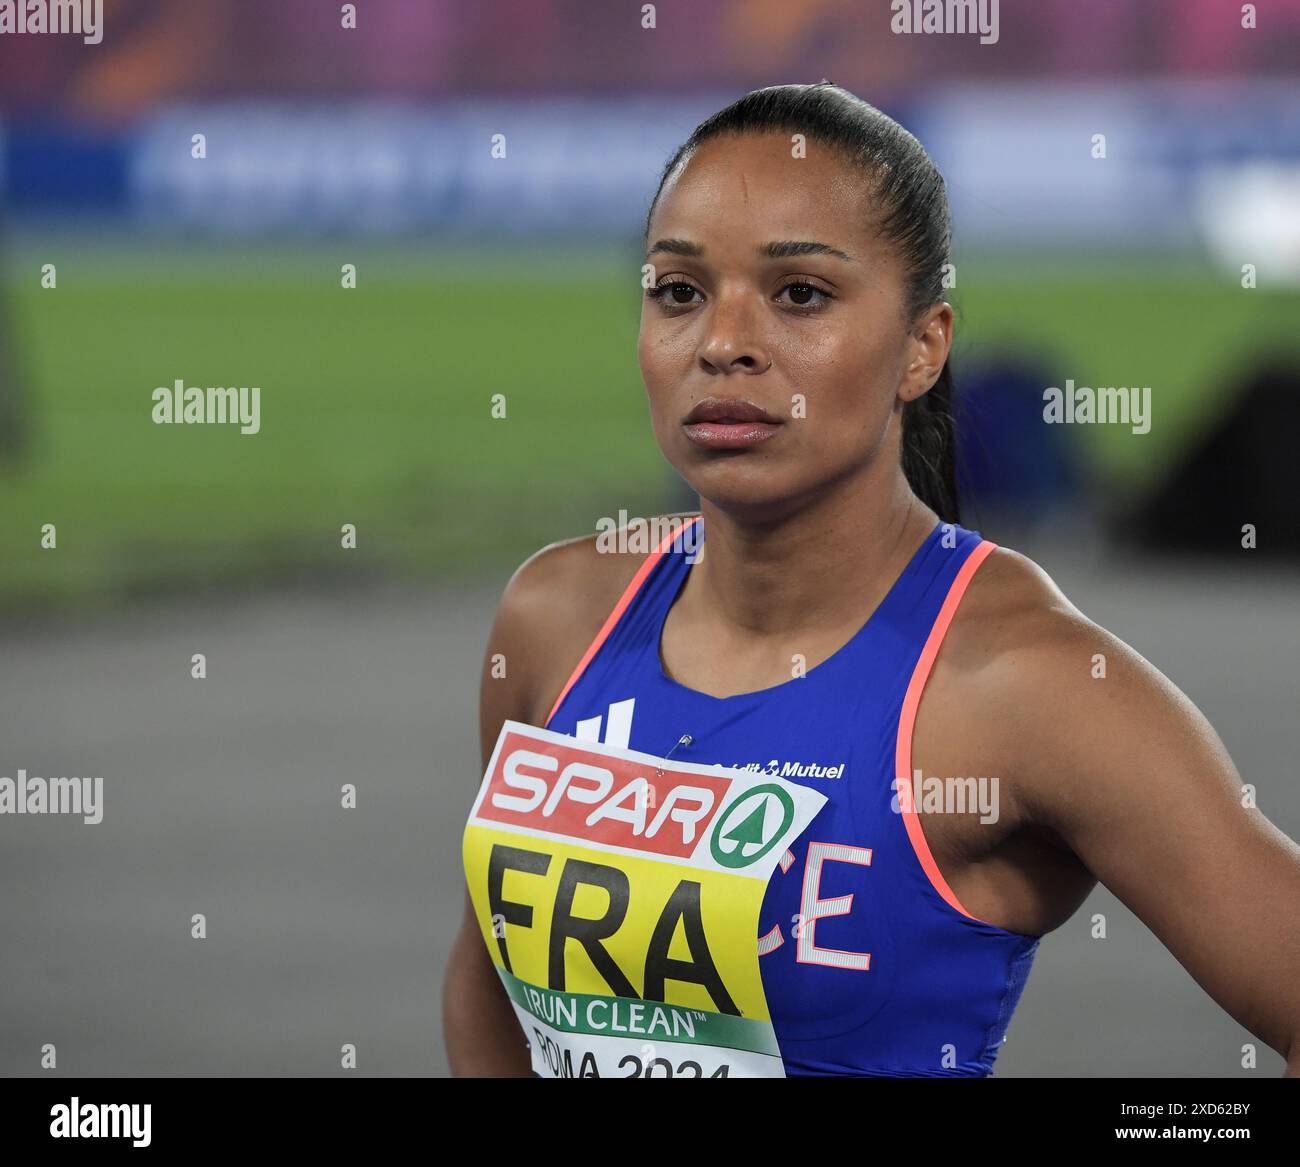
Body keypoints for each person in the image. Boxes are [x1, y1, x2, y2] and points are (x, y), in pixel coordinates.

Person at [443, 83, 1300, 1077]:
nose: (722, 343)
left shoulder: (1022, 685)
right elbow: (486, 986)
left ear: (921, 348)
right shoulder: (555, 619)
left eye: (799, 294)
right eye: (678, 292)